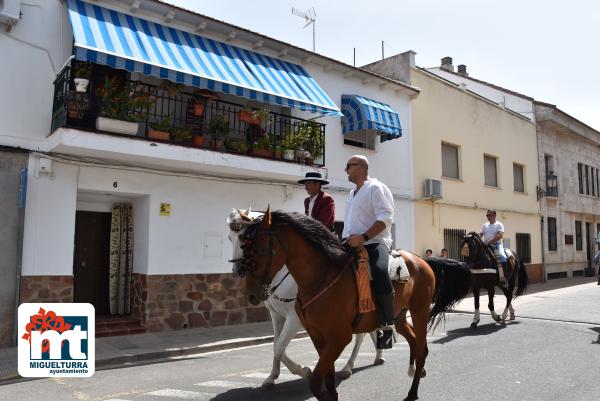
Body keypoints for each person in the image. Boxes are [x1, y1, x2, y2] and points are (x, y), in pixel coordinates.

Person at [343, 155, 395, 348]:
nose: (346, 170)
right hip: (350, 243)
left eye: (349, 166)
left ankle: (388, 323)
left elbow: (385, 218)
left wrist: (364, 237)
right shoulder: (351, 193)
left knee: (380, 271)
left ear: (361, 168)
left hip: (374, 243)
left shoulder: (376, 188)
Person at [480, 209, 507, 286]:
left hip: (496, 245)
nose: (488, 217)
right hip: (485, 246)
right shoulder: (485, 225)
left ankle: (503, 277)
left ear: (494, 215)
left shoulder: (499, 224)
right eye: (487, 215)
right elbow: (481, 234)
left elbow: (499, 235)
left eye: (489, 215)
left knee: (502, 257)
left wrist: (489, 242)